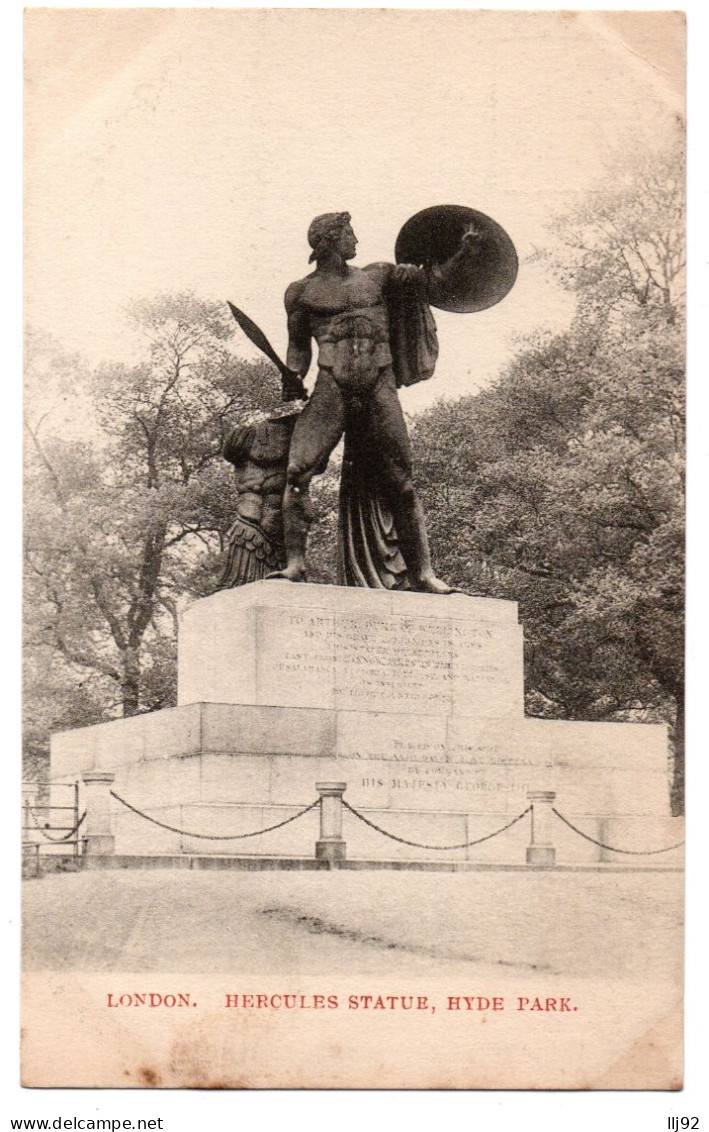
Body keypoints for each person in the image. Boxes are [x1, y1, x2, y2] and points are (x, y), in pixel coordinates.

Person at [271, 211, 479, 592]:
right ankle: (296, 564)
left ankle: (424, 573)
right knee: (297, 472)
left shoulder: (378, 275)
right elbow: (298, 347)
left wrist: (463, 251)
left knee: (401, 481)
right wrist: (291, 376)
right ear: (331, 240)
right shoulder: (299, 292)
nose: (356, 241)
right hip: (332, 385)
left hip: (378, 382)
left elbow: (432, 281)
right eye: (350, 233)